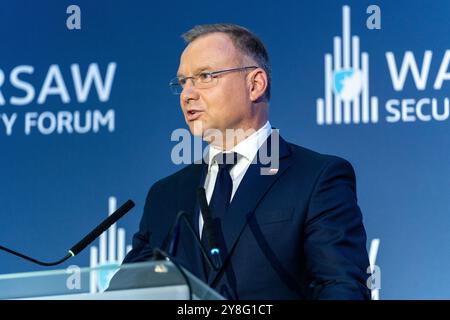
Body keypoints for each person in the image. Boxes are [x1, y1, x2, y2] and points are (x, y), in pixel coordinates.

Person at [122, 24, 371, 300]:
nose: (187, 94)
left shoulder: (316, 178)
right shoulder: (165, 194)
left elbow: (341, 288)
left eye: (205, 76)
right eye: (183, 82)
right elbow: (125, 294)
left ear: (255, 84)